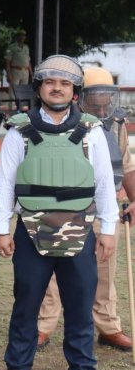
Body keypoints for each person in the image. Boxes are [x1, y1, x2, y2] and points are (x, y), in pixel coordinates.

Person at [0, 55, 114, 370]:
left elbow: (105, 182)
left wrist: (107, 229)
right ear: (40, 88)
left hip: (81, 227)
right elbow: (5, 182)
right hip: (30, 229)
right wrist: (1, 229)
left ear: (75, 91)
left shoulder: (92, 131)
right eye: (50, 83)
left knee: (80, 305)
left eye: (64, 84)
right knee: (26, 301)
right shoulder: (19, 131)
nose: (57, 88)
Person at [36, 67, 133, 352]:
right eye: (95, 95)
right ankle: (43, 326)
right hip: (65, 207)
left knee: (105, 269)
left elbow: (126, 165)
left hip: (104, 206)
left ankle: (108, 326)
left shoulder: (116, 124)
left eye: (108, 94)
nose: (102, 101)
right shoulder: (67, 123)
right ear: (81, 96)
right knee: (52, 270)